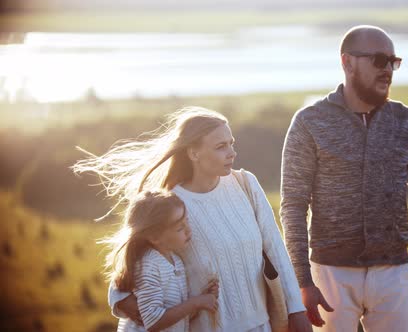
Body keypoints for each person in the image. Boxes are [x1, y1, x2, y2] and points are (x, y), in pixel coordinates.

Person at [280, 25, 408, 332]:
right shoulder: (310, 122)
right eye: (379, 60)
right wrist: (303, 282)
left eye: (393, 61)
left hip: (393, 273)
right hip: (330, 274)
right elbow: (293, 208)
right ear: (347, 62)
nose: (388, 69)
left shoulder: (405, 120)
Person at [73, 107, 311, 332]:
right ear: (193, 152)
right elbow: (136, 255)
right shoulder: (170, 205)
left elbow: (275, 248)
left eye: (231, 144)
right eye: (220, 146)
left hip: (262, 325)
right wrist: (121, 297)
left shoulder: (246, 185)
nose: (232, 152)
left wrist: (296, 309)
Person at [103, 190, 219, 332]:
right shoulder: (149, 264)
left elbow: (176, 317)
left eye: (187, 221)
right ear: (154, 237)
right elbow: (154, 322)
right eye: (180, 228)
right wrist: (196, 303)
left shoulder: (175, 261)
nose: (189, 230)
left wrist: (203, 297)